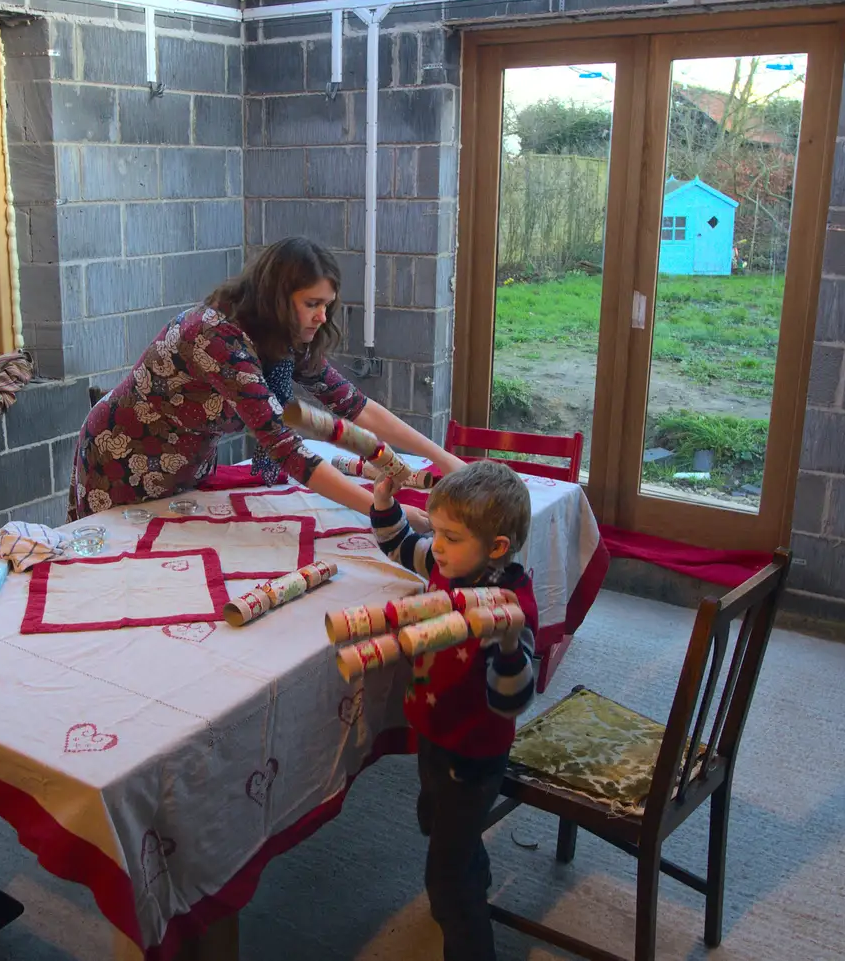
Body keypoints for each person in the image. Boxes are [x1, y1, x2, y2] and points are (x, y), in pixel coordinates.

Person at [69, 236, 464, 520]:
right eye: (312, 304)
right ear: (277, 297)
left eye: (327, 305)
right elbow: (286, 448)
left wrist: (443, 458)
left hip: (183, 467)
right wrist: (387, 513)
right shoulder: (216, 337)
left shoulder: (281, 336)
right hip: (122, 461)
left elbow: (351, 404)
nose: (322, 317)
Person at [369, 459, 538, 961]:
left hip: (474, 753)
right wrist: (383, 502)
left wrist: (508, 646)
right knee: (433, 817)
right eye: (436, 531)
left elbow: (512, 699)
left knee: (446, 882)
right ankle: (473, 867)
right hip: (433, 731)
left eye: (450, 536)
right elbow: (402, 543)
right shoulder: (450, 567)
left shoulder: (506, 609)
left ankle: (468, 920)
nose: (436, 545)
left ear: (497, 548)